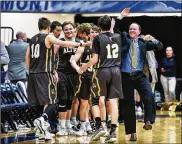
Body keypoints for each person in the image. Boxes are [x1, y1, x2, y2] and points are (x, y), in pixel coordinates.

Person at [25, 17, 89, 141]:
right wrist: (80, 43)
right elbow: (63, 43)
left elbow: (27, 56)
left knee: (41, 102)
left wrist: (30, 70)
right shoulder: (49, 37)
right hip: (45, 73)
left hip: (33, 74)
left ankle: (41, 131)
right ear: (49, 27)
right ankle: (42, 120)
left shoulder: (32, 39)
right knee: (53, 101)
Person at [115, 21, 163, 141]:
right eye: (130, 29)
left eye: (134, 29)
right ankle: (132, 133)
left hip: (139, 75)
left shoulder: (143, 42)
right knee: (128, 105)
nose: (131, 31)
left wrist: (153, 39)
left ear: (139, 32)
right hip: (125, 76)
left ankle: (148, 120)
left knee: (149, 95)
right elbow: (115, 28)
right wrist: (121, 17)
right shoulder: (124, 38)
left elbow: (159, 46)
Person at [81, 15, 124, 143]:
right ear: (110, 26)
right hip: (116, 70)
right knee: (113, 102)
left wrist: (84, 67)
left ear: (99, 27)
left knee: (95, 99)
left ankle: (99, 126)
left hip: (102, 70)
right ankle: (113, 132)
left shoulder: (98, 38)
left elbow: (94, 59)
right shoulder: (118, 36)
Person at [55, 21, 86, 136]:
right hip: (61, 73)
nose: (68, 31)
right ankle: (61, 126)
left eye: (70, 29)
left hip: (74, 75)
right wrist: (54, 71)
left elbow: (77, 58)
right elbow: (52, 57)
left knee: (70, 100)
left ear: (75, 30)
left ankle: (67, 125)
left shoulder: (80, 43)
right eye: (66, 29)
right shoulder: (59, 42)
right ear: (63, 31)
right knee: (62, 99)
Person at [70, 24, 100, 135]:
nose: (94, 34)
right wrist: (78, 68)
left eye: (96, 32)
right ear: (89, 34)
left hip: (97, 75)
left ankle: (98, 125)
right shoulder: (83, 46)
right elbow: (73, 60)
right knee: (84, 102)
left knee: (96, 102)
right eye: (92, 32)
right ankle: (83, 125)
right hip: (86, 76)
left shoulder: (102, 46)